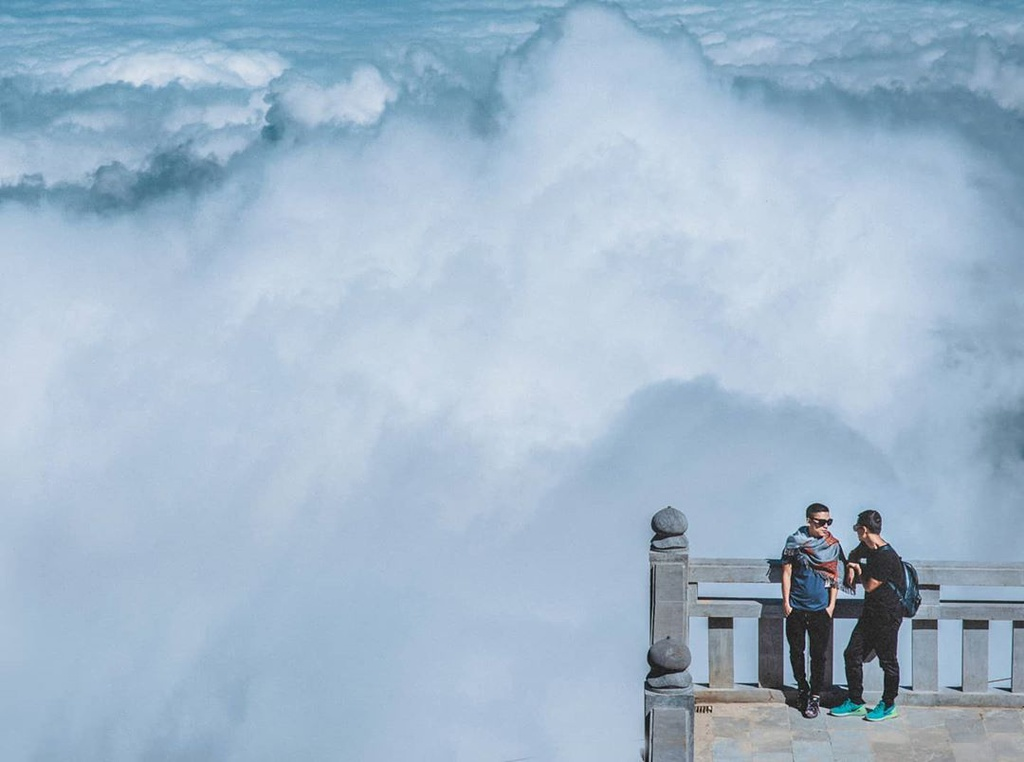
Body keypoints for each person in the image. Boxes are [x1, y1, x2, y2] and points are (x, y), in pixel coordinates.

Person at [830, 509, 904, 722]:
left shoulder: (886, 556)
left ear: (863, 530)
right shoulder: (867, 547)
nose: (856, 533)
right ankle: (855, 701)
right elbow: (854, 555)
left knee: (888, 661)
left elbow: (870, 585)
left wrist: (859, 571)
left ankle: (889, 705)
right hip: (870, 614)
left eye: (856, 529)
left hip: (888, 615)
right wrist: (853, 565)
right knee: (851, 654)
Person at [780, 502, 846, 719]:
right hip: (797, 607)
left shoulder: (832, 546)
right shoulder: (795, 543)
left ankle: (815, 697)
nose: (825, 526)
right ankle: (802, 689)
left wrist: (831, 606)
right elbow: (787, 572)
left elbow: (835, 576)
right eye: (820, 522)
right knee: (796, 652)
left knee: (819, 656)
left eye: (829, 522)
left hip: (821, 609)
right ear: (809, 520)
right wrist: (786, 603)